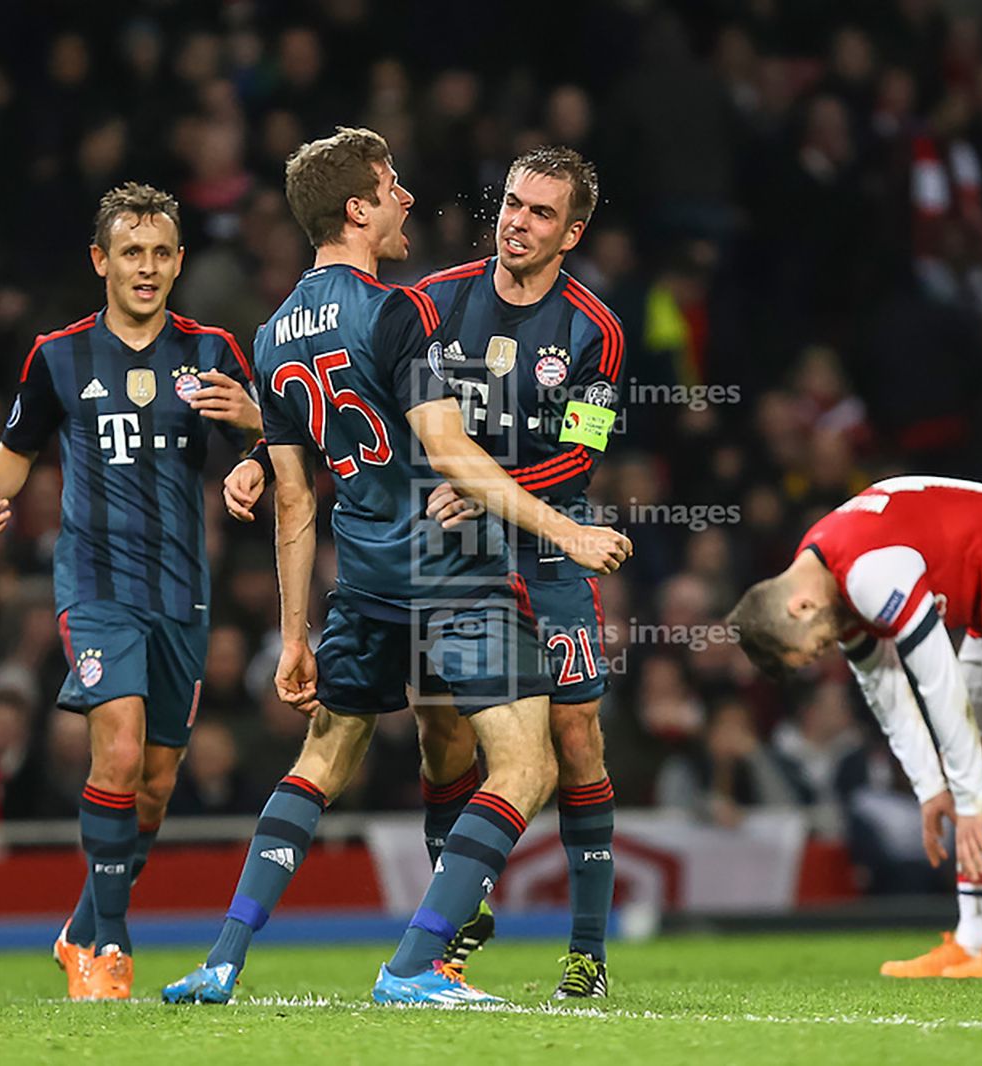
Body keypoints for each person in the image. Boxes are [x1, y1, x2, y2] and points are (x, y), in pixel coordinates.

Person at [160, 127, 631, 1008]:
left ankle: (225, 957)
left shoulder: (272, 331)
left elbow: (579, 454)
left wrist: (290, 626)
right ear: (358, 207)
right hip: (457, 561)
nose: (514, 223)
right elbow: (442, 448)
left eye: (539, 213)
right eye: (513, 205)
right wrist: (556, 528)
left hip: (380, 572)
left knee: (355, 749)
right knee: (509, 761)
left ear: (571, 234)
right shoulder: (420, 302)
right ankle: (426, 951)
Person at [0, 182, 263, 1000]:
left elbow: (270, 442)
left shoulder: (211, 353)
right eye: (131, 252)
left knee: (158, 782)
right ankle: (111, 949)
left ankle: (80, 928)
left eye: (162, 252)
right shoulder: (59, 355)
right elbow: (14, 449)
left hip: (183, 592)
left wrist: (253, 450)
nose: (148, 267)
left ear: (179, 263)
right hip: (96, 585)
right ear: (101, 261)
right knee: (121, 751)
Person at [728, 476, 982, 979]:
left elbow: (938, 680)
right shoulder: (830, 579)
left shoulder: (869, 574)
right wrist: (934, 789)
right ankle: (976, 939)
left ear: (798, 607)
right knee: (978, 760)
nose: (825, 654)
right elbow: (887, 694)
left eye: (816, 648)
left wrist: (970, 799)